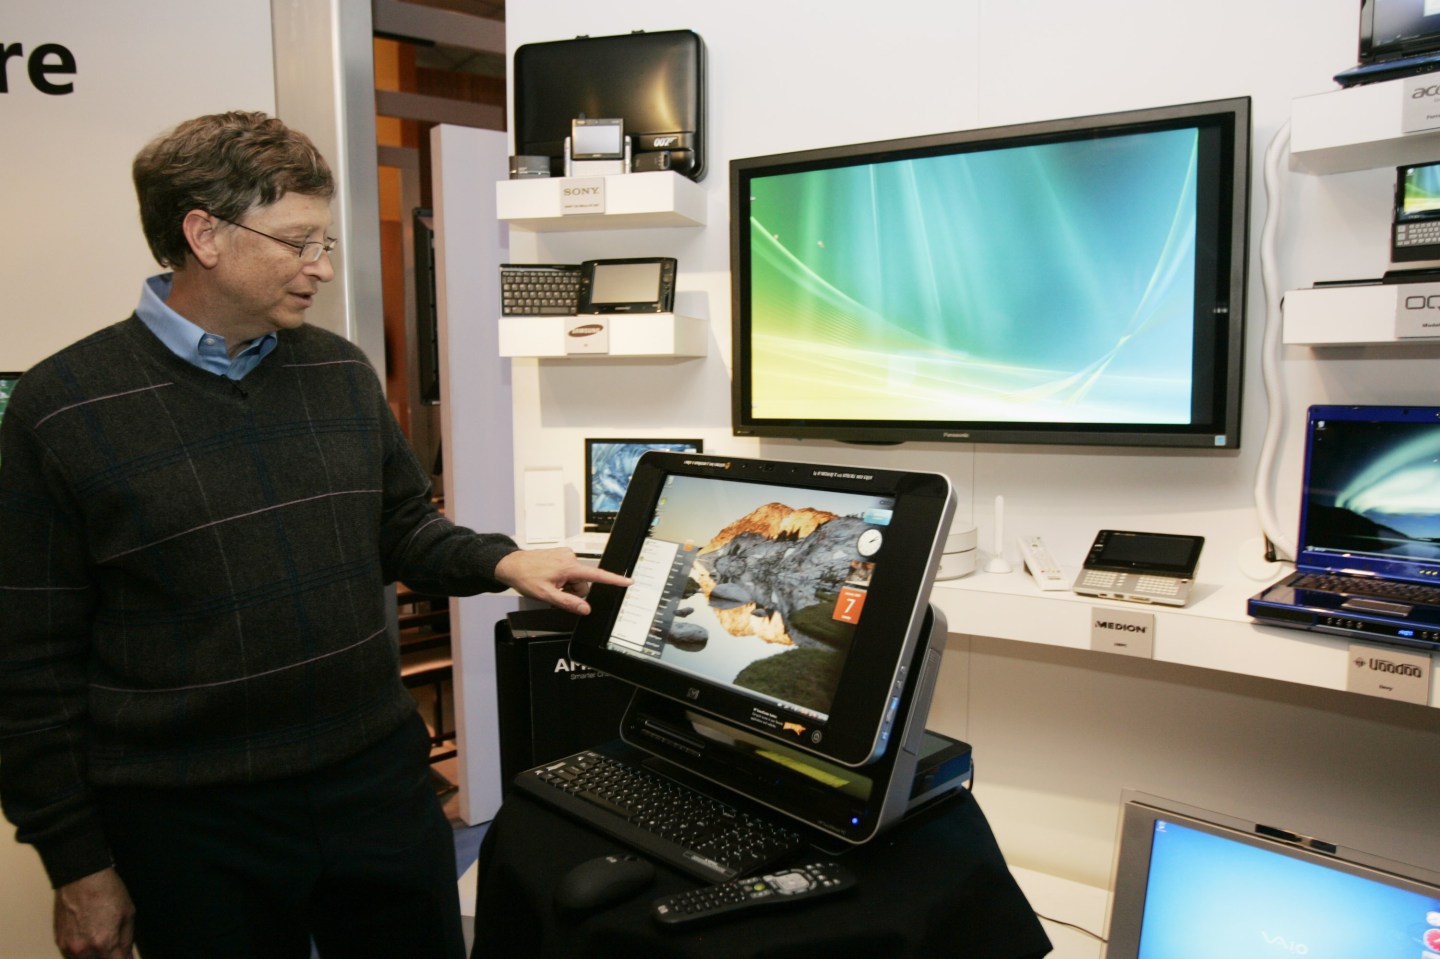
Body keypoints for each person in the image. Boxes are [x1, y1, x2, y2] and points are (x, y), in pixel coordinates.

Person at [0, 111, 629, 959]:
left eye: (324, 242)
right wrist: (77, 862)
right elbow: (29, 664)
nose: (323, 267)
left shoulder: (338, 370)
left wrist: (504, 559)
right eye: (299, 242)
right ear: (204, 235)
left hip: (375, 785)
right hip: (190, 824)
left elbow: (401, 527)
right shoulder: (62, 408)